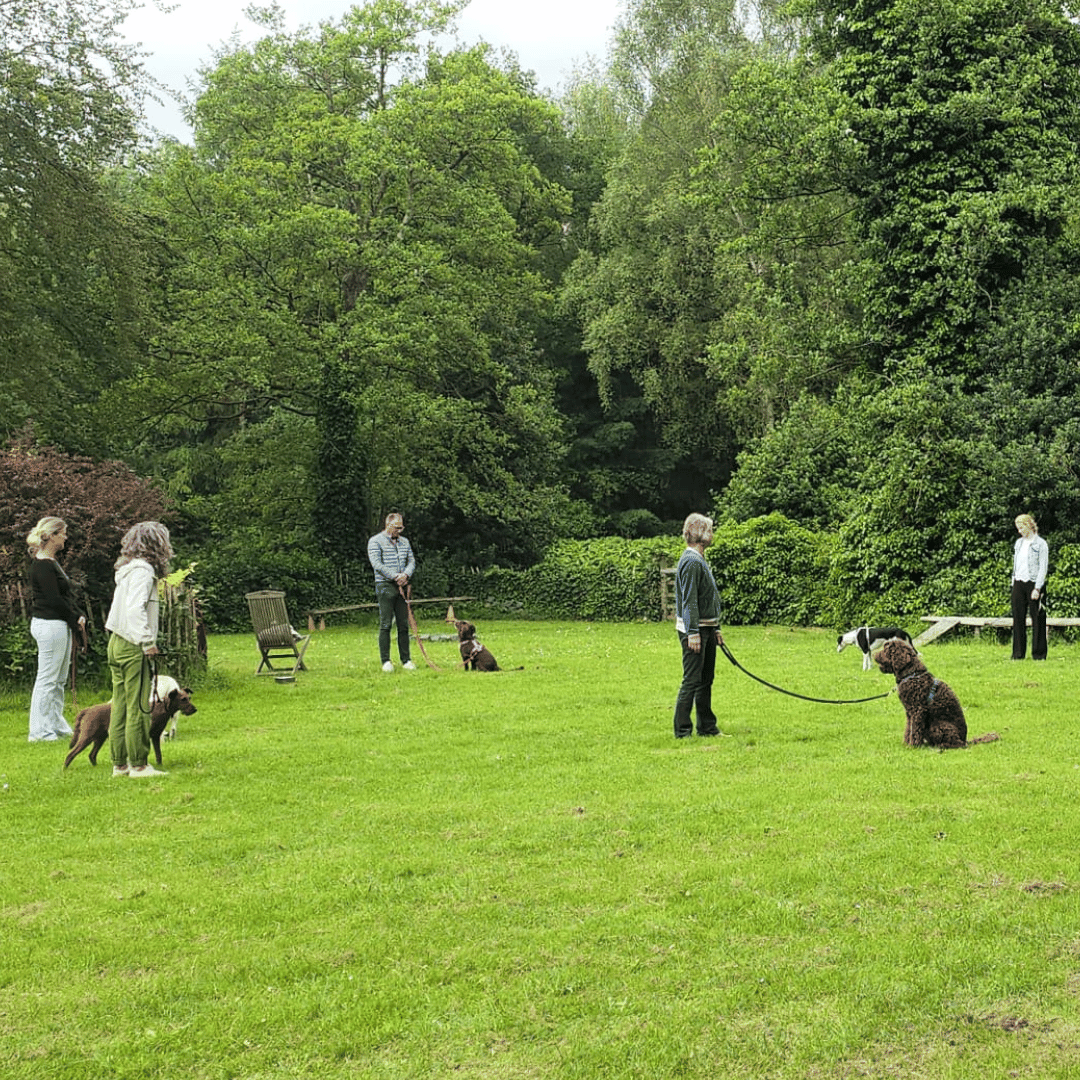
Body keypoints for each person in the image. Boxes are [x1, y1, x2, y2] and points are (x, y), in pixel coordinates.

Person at [105, 521, 174, 777]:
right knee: (138, 706)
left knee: (121, 704)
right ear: (157, 545)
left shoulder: (126, 571)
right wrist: (147, 642)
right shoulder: (144, 572)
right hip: (133, 645)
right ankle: (139, 764)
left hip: (116, 642)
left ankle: (119, 763)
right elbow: (136, 610)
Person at [26, 517, 87, 742]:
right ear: (51, 536)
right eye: (63, 533)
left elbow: (63, 597)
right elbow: (53, 600)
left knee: (59, 679)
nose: (66, 537)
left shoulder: (51, 562)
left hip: (57, 624)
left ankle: (55, 723)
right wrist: (74, 619)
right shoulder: (43, 565)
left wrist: (77, 614)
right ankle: (39, 731)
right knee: (47, 679)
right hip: (50, 625)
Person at [673, 512, 724, 738]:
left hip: (707, 628)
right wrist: (693, 632)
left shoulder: (699, 559)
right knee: (692, 680)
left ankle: (707, 727)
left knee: (705, 680)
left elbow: (709, 598)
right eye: (710, 530)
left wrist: (716, 628)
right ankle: (683, 731)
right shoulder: (692, 561)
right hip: (695, 631)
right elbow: (689, 600)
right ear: (701, 534)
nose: (712, 534)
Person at [367, 512, 416, 672]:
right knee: (386, 623)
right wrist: (395, 576)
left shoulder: (405, 542)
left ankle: (406, 660)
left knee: (403, 624)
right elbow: (377, 564)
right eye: (397, 527)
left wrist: (406, 575)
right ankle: (386, 661)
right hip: (385, 586)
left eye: (401, 527)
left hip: (403, 586)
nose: (400, 530)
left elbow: (411, 560)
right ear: (388, 525)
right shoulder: (375, 541)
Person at [1011, 513, 1049, 661]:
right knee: (1018, 618)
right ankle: (1018, 654)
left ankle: (1039, 654)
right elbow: (1016, 564)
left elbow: (1043, 567)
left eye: (1021, 527)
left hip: (1034, 583)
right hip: (1019, 582)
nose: (1019, 531)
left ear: (1028, 525)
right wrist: (1013, 582)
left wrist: (1037, 588)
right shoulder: (1018, 543)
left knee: (1037, 619)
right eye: (1018, 528)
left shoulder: (1041, 544)